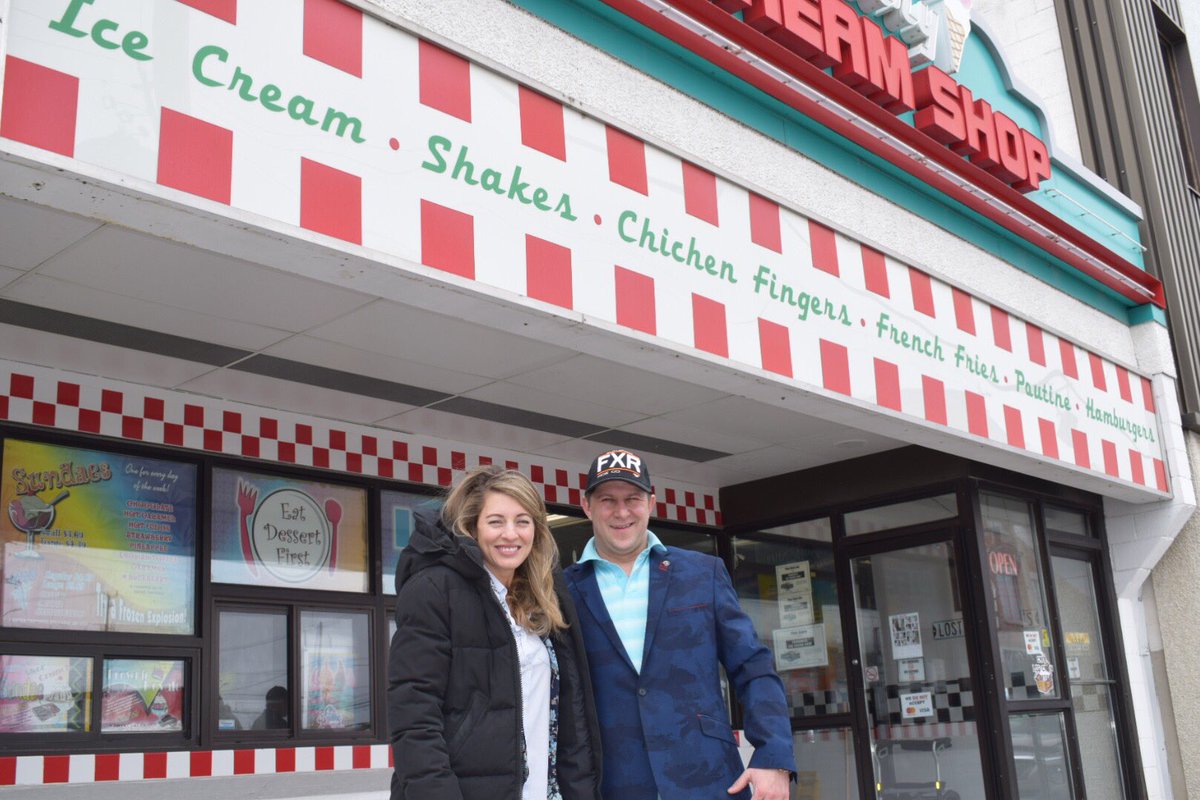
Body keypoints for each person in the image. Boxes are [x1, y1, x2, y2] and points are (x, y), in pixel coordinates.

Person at [564, 449, 795, 800]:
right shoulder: (560, 590)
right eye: (607, 500)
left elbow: (754, 667)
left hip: (708, 778)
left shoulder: (703, 573)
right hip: (611, 783)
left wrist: (773, 756)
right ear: (587, 506)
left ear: (652, 502)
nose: (622, 511)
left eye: (633, 499)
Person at [388, 465, 602, 800]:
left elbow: (569, 716)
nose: (511, 534)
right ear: (472, 526)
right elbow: (414, 716)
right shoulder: (434, 590)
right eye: (496, 521)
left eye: (522, 521)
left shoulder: (546, 599)